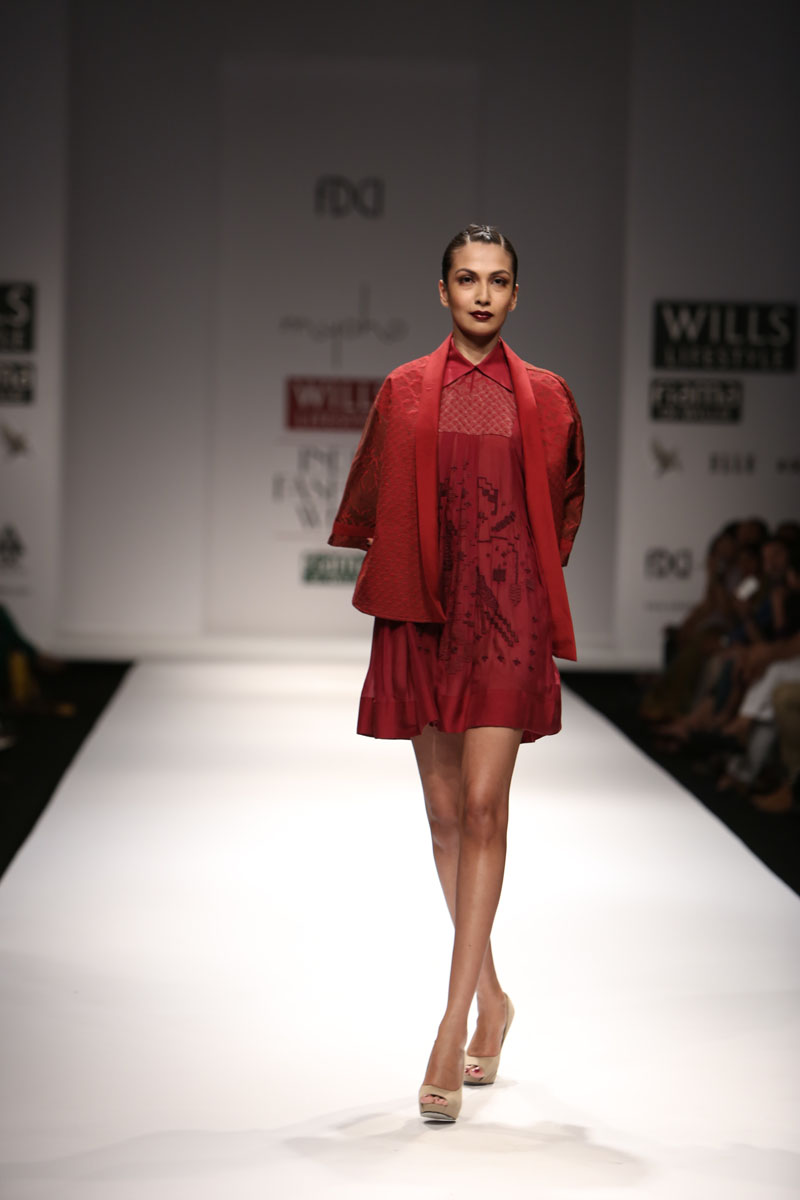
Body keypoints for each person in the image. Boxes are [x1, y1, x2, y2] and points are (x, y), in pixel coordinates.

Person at [328, 224, 585, 1123]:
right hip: (428, 614)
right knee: (444, 817)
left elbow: (564, 506)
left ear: (516, 294)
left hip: (507, 615)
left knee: (483, 809)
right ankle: (494, 998)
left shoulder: (548, 397)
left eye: (498, 280)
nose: (482, 294)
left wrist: (515, 577)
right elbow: (373, 496)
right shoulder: (403, 390)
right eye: (467, 279)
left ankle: (451, 1022)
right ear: (442, 291)